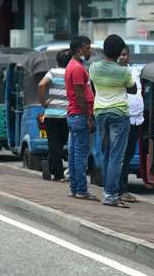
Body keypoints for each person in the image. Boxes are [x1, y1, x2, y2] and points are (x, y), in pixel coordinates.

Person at [90, 35, 136, 208]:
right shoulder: (123, 71)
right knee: (117, 156)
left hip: (100, 113)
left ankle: (107, 192)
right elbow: (133, 89)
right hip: (119, 114)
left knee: (106, 153)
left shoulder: (93, 67)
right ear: (119, 53)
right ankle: (110, 195)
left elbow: (94, 86)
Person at [65, 36, 97, 200]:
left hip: (74, 114)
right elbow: (79, 95)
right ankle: (81, 190)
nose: (89, 50)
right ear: (79, 50)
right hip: (79, 114)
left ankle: (75, 188)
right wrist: (89, 118)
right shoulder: (77, 68)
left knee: (74, 153)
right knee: (80, 154)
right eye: (87, 48)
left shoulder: (72, 65)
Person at [38, 49, 72, 182]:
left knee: (54, 145)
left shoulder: (52, 72)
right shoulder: (72, 72)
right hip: (66, 115)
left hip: (51, 114)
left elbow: (41, 85)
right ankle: (57, 173)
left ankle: (54, 170)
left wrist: (43, 101)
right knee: (61, 144)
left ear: (57, 61)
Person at [119, 46, 141, 203]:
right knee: (119, 155)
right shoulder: (115, 72)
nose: (122, 57)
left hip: (136, 118)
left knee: (128, 155)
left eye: (125, 54)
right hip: (121, 117)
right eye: (120, 54)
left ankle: (122, 188)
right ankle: (120, 189)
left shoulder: (136, 71)